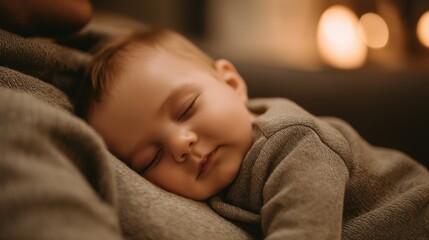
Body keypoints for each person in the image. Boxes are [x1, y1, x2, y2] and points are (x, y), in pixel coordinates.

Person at [75, 28, 429, 239]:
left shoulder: (293, 143)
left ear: (231, 82)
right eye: (150, 158)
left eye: (186, 109)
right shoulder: (216, 184)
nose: (181, 145)